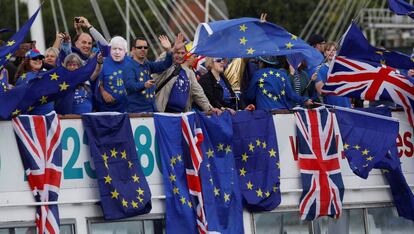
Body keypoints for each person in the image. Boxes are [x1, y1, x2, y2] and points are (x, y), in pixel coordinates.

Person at [152, 40, 221, 114]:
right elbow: (158, 65)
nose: (180, 55)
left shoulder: (189, 73)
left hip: (182, 116)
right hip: (163, 114)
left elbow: (198, 93)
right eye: (177, 53)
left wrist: (209, 108)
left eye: (182, 53)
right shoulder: (166, 67)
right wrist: (170, 50)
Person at [124, 35, 175, 113]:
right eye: (139, 47)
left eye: (145, 47)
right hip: (136, 113)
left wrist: (168, 50)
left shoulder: (147, 65)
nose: (143, 49)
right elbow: (130, 86)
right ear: (133, 49)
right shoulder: (129, 67)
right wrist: (144, 85)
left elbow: (165, 65)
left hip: (151, 111)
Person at [245, 56, 312, 110]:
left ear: (261, 63)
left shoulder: (257, 74)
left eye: (259, 62)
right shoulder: (282, 74)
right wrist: (304, 100)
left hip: (265, 113)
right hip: (282, 112)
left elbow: (250, 95)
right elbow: (291, 94)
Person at [96, 36, 130, 112]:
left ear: (125, 52)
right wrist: (103, 92)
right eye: (114, 49)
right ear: (110, 50)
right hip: (107, 109)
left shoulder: (132, 62)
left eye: (120, 49)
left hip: (128, 109)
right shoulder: (103, 62)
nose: (117, 52)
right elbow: (99, 82)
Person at [14, 49, 54, 115]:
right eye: (34, 58)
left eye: (40, 58)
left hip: (50, 117)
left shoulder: (45, 73)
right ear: (27, 61)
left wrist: (43, 63)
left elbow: (60, 72)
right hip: (34, 118)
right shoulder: (24, 77)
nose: (38, 60)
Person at [315, 42, 352, 108]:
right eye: (328, 50)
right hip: (331, 105)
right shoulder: (320, 69)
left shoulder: (343, 67)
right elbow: (320, 91)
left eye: (334, 50)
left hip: (346, 104)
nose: (331, 52)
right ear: (324, 53)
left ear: (337, 52)